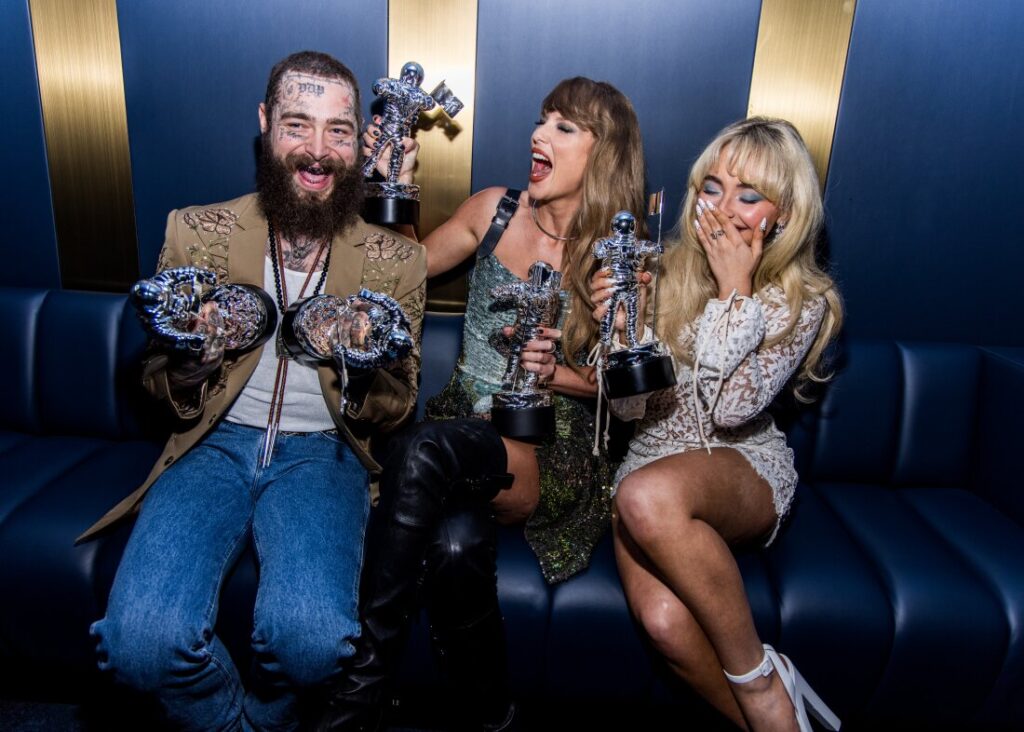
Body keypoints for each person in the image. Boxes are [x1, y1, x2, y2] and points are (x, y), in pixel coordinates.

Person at [78, 51, 426, 731]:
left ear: (361, 141)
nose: (318, 152)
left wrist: (359, 366)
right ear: (265, 124)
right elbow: (155, 377)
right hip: (211, 446)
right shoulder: (195, 230)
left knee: (315, 647)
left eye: (339, 130)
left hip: (322, 457)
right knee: (139, 648)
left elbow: (400, 400)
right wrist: (186, 362)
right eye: (298, 125)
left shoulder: (396, 259)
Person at [317, 77, 647, 731]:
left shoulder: (617, 258)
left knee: (421, 448)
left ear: (603, 151)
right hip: (465, 418)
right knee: (457, 544)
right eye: (540, 118)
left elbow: (634, 397)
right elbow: (402, 268)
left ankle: (363, 679)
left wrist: (558, 376)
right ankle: (492, 715)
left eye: (563, 127)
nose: (537, 134)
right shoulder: (496, 210)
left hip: (551, 446)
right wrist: (393, 184)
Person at [590, 117, 843, 732]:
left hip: (741, 468)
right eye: (712, 187)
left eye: (749, 195)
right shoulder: (659, 270)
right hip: (649, 464)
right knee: (666, 627)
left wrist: (736, 290)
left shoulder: (798, 297)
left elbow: (731, 411)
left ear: (782, 214)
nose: (724, 208)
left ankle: (762, 683)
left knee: (643, 495)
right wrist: (623, 337)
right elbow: (627, 413)